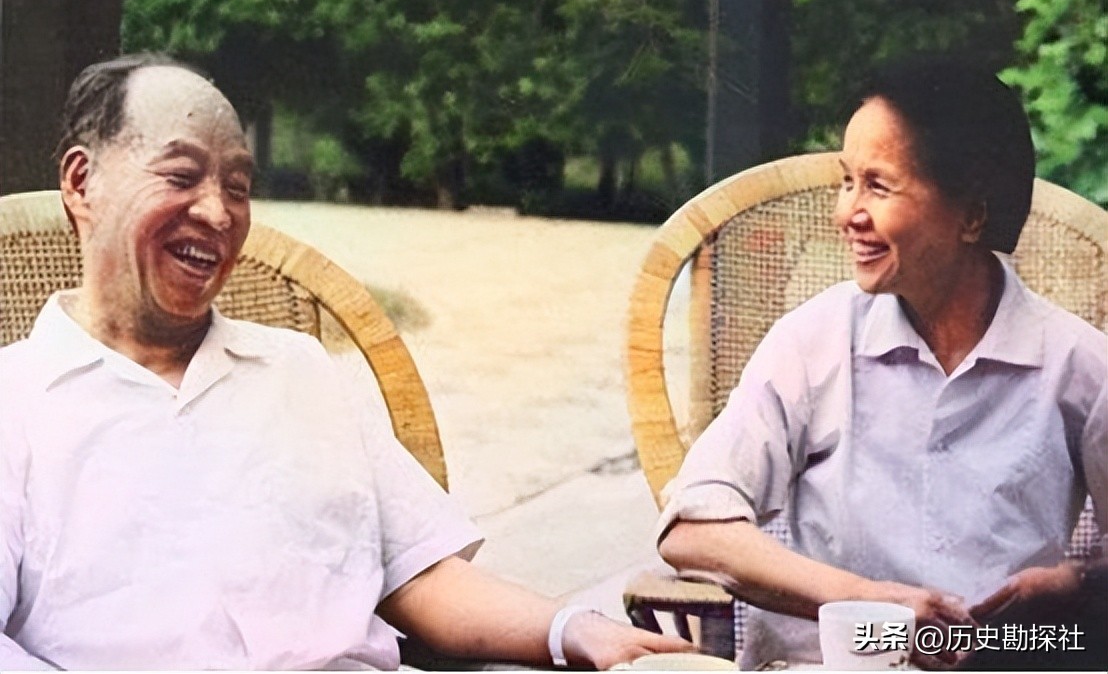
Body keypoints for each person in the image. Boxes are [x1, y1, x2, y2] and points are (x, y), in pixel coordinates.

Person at [0, 53, 693, 670]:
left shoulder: (298, 371)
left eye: (238, 187)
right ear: (82, 183)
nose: (217, 212)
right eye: (181, 176)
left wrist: (573, 629)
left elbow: (421, 575)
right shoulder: (15, 405)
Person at [654, 61, 1106, 669]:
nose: (847, 213)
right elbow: (691, 528)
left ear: (972, 215)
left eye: (878, 186)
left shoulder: (1079, 366)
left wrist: (1077, 585)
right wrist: (863, 601)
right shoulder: (814, 341)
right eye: (847, 181)